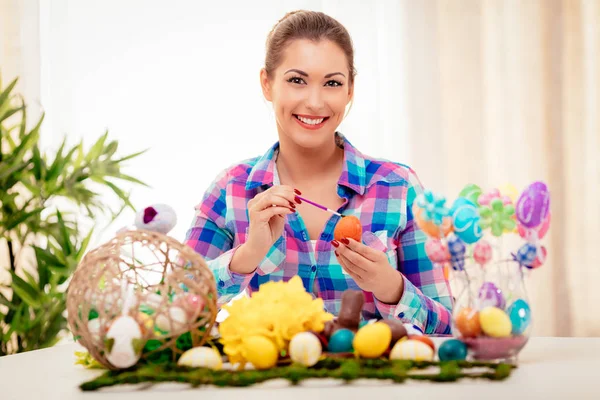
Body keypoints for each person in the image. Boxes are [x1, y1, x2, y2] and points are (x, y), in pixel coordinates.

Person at [184, 10, 452, 334]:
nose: (314, 101)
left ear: (350, 90)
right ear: (267, 84)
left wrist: (391, 287)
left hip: (377, 384)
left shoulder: (398, 187)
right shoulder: (231, 190)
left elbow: (449, 328)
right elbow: (173, 313)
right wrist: (246, 256)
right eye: (297, 80)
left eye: (332, 83)